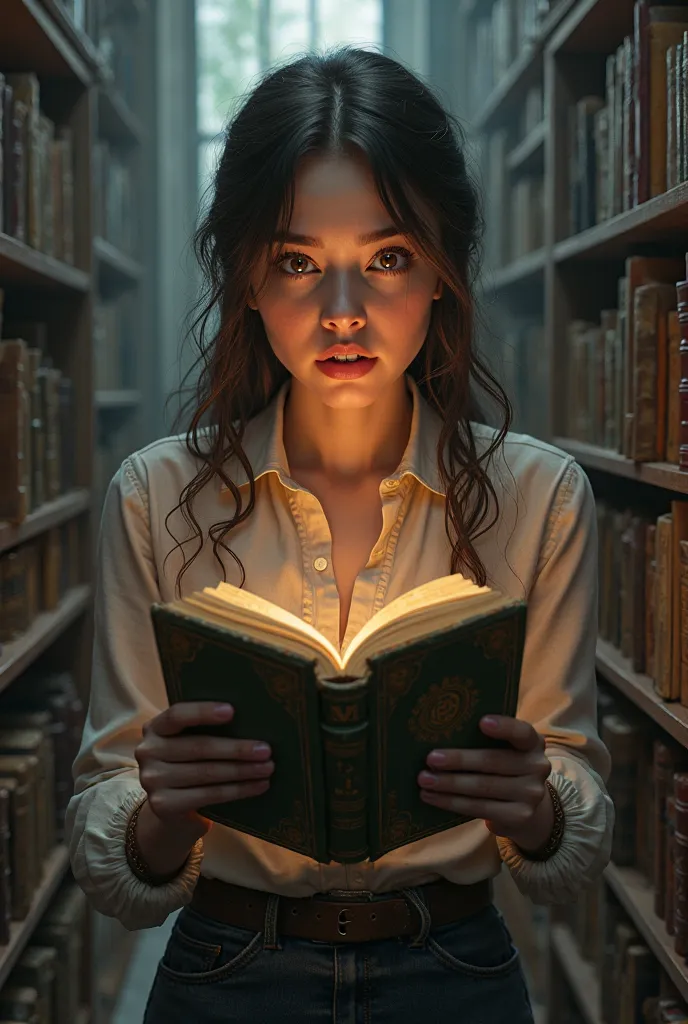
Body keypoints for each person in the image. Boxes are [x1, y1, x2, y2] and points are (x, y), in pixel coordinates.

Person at [65, 45, 614, 1024]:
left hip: (456, 969)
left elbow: (570, 829)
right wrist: (162, 814)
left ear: (445, 269)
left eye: (388, 258)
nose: (344, 312)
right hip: (225, 970)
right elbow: (110, 842)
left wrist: (535, 804)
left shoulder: (542, 496)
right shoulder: (157, 494)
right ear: (244, 278)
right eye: (298, 263)